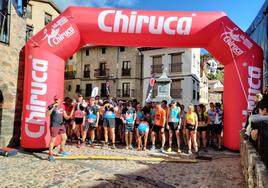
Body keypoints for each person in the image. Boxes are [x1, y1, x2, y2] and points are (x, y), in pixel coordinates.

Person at [46, 95, 69, 161]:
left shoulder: (62, 106)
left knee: (64, 137)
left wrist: (68, 117)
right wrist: (53, 107)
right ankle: (50, 154)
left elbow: (65, 115)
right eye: (55, 99)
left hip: (61, 124)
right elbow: (47, 115)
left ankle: (61, 150)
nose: (56, 100)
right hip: (54, 125)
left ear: (60, 100)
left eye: (57, 99)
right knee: (53, 140)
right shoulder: (50, 106)